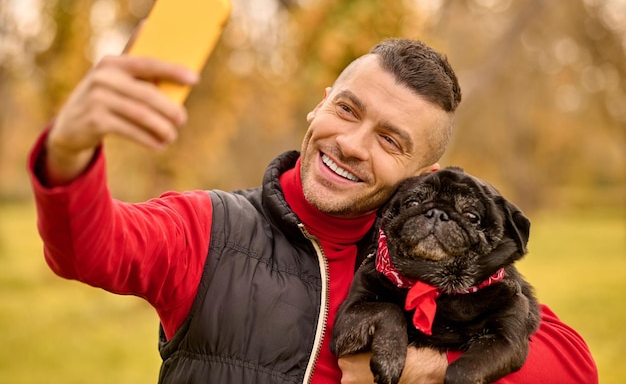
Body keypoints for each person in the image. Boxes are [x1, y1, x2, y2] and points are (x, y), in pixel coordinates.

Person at [28, 38, 598, 384]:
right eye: (347, 110)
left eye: (390, 141)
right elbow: (90, 248)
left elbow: (572, 366)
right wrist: (69, 152)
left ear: (420, 181)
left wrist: (434, 370)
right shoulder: (211, 228)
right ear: (319, 104)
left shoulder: (423, 261)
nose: (351, 143)